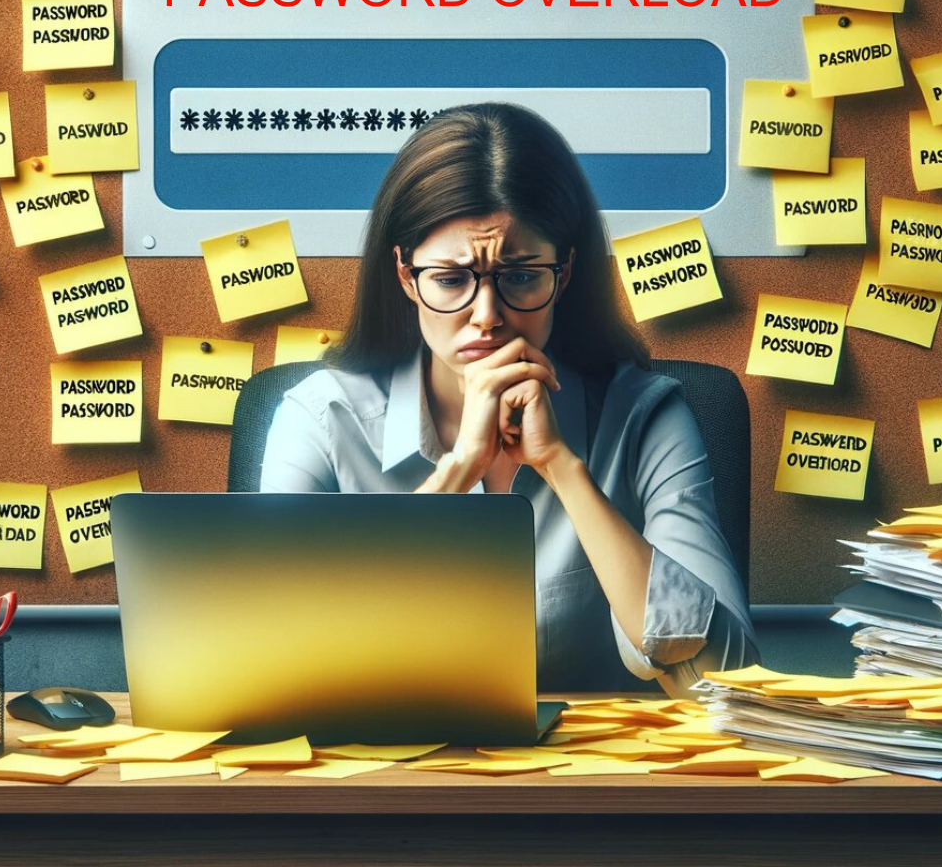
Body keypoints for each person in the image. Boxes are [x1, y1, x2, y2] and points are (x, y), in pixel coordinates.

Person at [258, 102, 757, 697]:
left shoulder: (648, 415)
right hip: (378, 780)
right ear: (405, 277)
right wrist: (457, 471)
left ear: (563, 275)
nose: (488, 317)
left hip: (593, 782)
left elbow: (723, 684)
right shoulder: (319, 418)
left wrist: (564, 471)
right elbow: (277, 662)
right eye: (450, 280)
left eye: (520, 276)